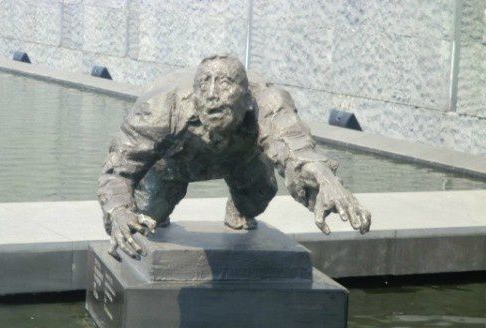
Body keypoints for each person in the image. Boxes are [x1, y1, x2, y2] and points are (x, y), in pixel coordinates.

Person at [98, 55, 371, 259]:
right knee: (148, 217)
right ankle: (159, 205)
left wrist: (324, 178)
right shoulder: (161, 107)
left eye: (225, 83)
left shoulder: (267, 100)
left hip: (241, 159)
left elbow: (296, 147)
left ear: (246, 96)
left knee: (254, 202)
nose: (212, 95)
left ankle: (239, 205)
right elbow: (119, 169)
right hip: (174, 164)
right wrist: (120, 210)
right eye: (204, 85)